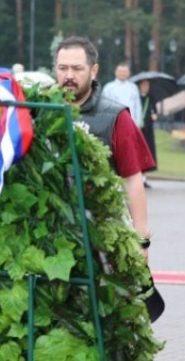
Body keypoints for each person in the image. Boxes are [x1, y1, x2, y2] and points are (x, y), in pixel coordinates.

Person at [56, 36, 155, 239]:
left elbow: (132, 179)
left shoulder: (117, 117)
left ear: (93, 71)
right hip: (52, 235)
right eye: (62, 68)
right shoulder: (42, 111)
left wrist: (141, 238)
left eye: (77, 68)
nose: (69, 75)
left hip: (102, 234)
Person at [100, 61, 143, 130]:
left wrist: (137, 124)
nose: (123, 73)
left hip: (131, 123)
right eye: (120, 71)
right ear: (116, 72)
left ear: (129, 73)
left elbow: (137, 106)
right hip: (114, 123)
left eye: (125, 71)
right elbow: (103, 107)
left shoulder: (133, 87)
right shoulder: (109, 88)